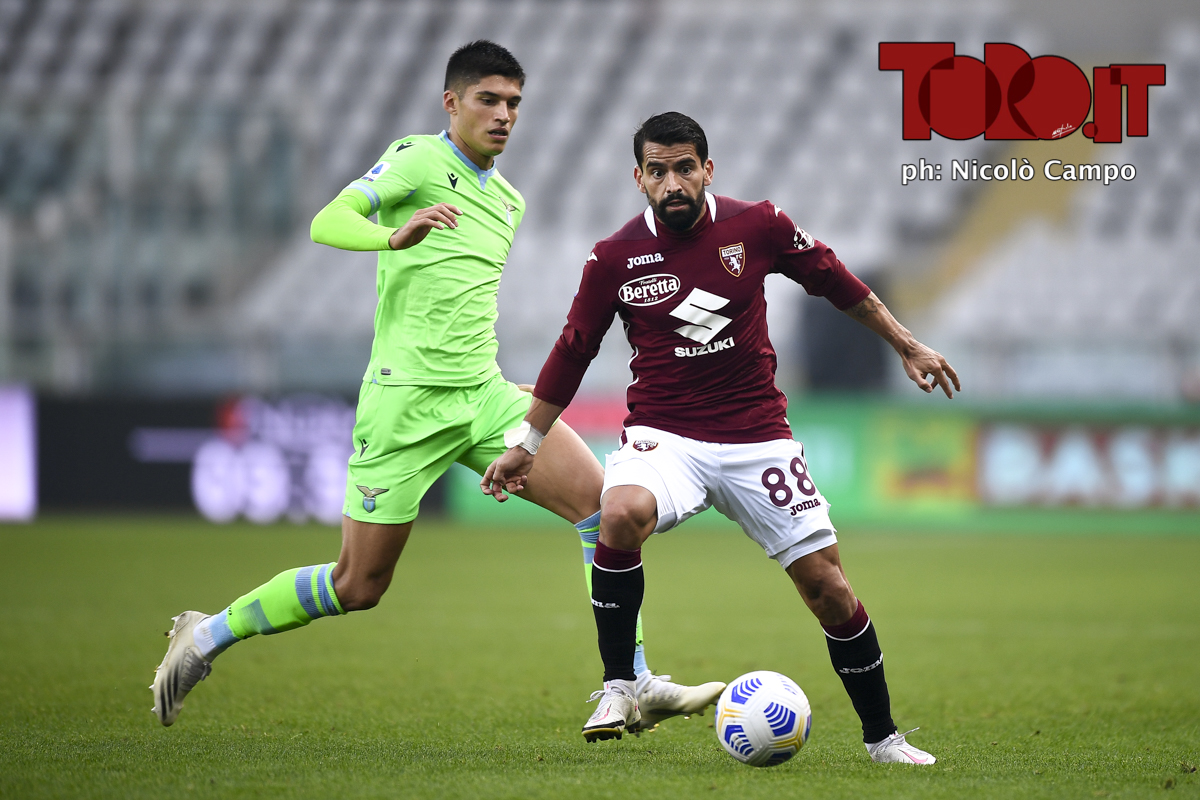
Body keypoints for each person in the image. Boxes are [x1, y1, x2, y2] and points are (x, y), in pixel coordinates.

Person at [151, 43, 723, 728]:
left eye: (514, 102)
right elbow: (327, 221)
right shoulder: (417, 159)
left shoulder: (508, 200)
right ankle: (206, 635)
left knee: (602, 510)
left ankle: (630, 680)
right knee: (358, 585)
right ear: (452, 103)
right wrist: (392, 236)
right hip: (405, 403)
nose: (504, 115)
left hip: (483, 395)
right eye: (489, 100)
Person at [482, 111, 960, 763]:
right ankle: (620, 687)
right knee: (618, 512)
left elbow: (833, 278)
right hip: (664, 435)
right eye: (657, 171)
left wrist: (905, 344)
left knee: (828, 588)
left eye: (685, 168)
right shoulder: (614, 257)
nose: (672, 183)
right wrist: (528, 442)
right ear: (638, 178)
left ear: (708, 169)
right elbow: (573, 349)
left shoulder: (757, 225)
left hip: (757, 437)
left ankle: (884, 739)